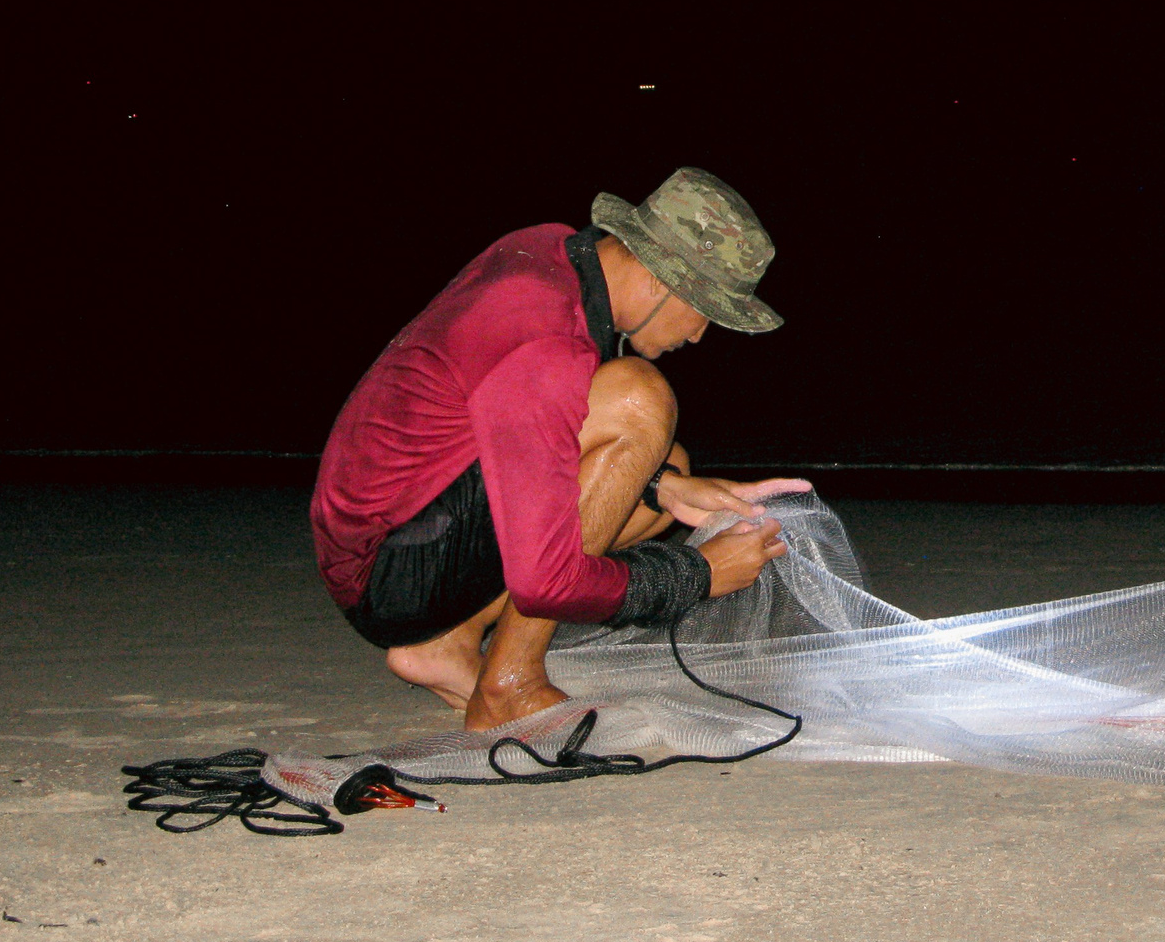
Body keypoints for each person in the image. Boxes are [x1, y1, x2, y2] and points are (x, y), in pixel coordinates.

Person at [310, 168, 807, 729]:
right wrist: (697, 575)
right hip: (387, 567)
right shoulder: (547, 337)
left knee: (666, 471)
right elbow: (545, 581)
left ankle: (448, 643)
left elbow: (511, 428)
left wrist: (662, 484)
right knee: (640, 397)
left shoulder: (549, 250)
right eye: (705, 313)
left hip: (386, 527)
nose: (697, 336)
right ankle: (509, 685)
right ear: (661, 281)